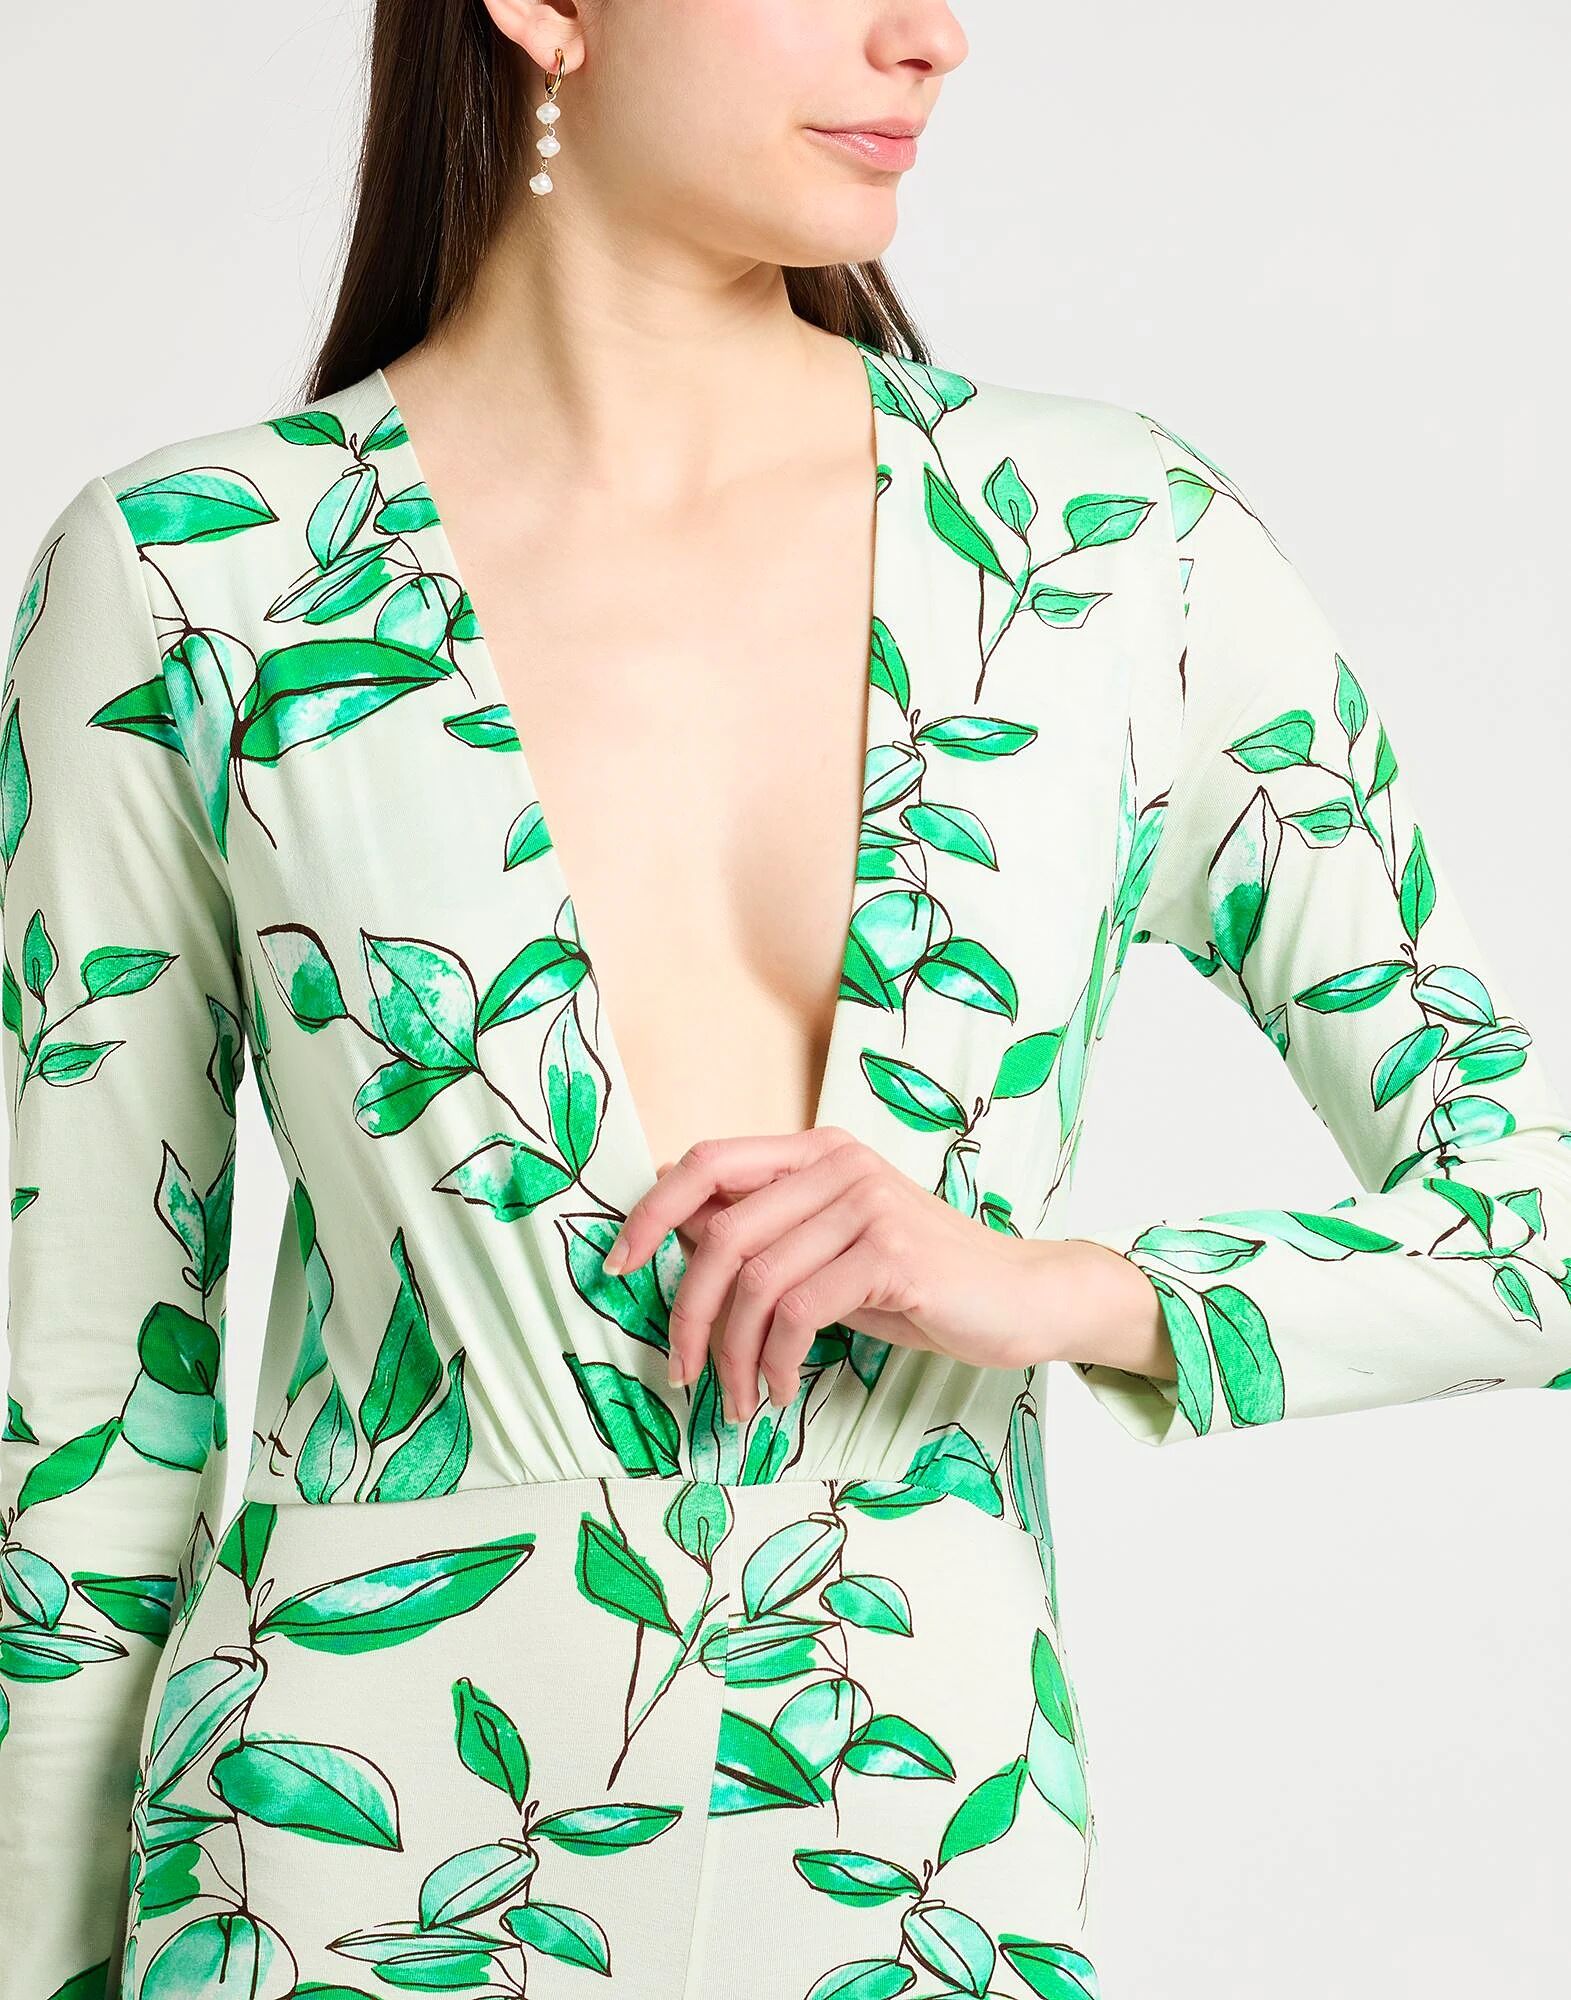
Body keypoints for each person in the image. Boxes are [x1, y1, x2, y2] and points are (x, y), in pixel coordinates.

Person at [2, 5, 1567, 1997]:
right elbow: (78, 1432)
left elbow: (1535, 1227)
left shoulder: (1109, 555)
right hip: (336, 1873)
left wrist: (1058, 1289)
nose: (931, 37)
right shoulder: (200, 578)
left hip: (905, 1865)